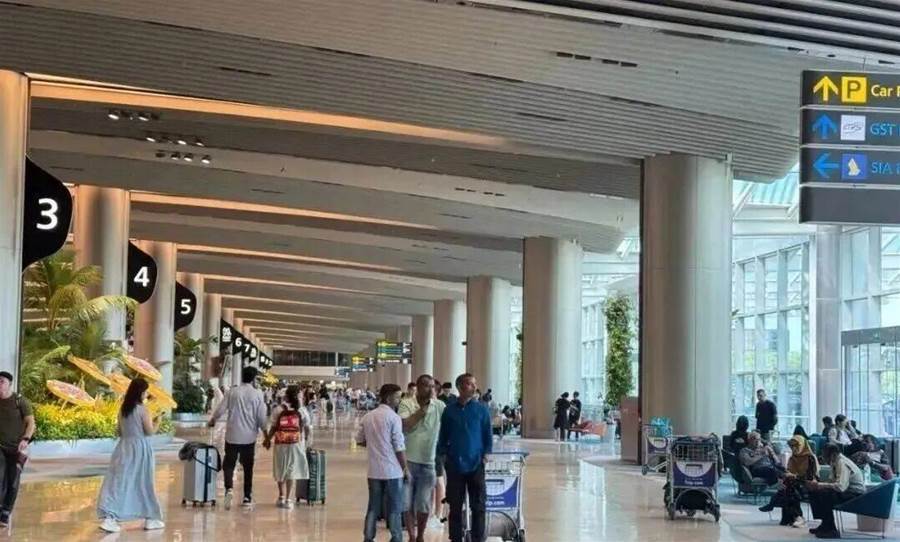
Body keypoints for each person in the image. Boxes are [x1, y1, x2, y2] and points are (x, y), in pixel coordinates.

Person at [97, 377, 164, 533]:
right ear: (140, 392)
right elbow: (149, 431)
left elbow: (119, 431)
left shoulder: (123, 409)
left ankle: (110, 517)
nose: (146, 394)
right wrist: (158, 421)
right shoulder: (142, 410)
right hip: (140, 449)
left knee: (118, 482)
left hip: (123, 448)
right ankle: (150, 518)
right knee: (143, 482)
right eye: (145, 391)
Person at [438, 373, 492, 542]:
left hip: (476, 463)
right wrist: (443, 455)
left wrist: (486, 454)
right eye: (469, 384)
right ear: (460, 387)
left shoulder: (482, 410)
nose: (474, 387)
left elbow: (487, 434)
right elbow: (443, 435)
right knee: (455, 505)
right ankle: (455, 538)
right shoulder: (449, 411)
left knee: (479, 505)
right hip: (455, 464)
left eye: (474, 384)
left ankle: (478, 538)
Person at [208, 366, 268, 509]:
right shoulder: (257, 394)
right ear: (254, 379)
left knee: (229, 464)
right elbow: (261, 417)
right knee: (248, 467)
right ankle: (247, 497)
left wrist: (213, 420)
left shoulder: (232, 392)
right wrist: (266, 435)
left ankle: (229, 488)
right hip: (249, 437)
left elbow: (221, 409)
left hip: (232, 435)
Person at [356, 384, 408, 542]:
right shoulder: (394, 418)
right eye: (397, 397)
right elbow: (399, 446)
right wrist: (405, 468)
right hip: (393, 471)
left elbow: (360, 440)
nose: (399, 400)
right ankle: (396, 537)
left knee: (373, 506)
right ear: (388, 398)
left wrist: (375, 443)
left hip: (374, 471)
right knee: (394, 508)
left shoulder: (368, 417)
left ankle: (368, 537)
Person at [398, 375, 445, 542]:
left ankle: (420, 535)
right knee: (407, 502)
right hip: (408, 462)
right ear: (418, 387)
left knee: (423, 503)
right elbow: (406, 424)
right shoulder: (406, 403)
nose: (430, 389)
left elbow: (448, 427)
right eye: (426, 386)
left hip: (429, 462)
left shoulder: (440, 406)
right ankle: (411, 536)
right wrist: (423, 409)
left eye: (432, 386)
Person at [263, 385, 311, 509]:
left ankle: (281, 496)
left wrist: (267, 440)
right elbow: (307, 427)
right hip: (296, 443)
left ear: (286, 396)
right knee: (292, 469)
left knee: (280, 468)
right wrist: (306, 440)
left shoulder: (279, 409)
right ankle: (289, 499)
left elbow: (273, 427)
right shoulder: (302, 410)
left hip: (281, 443)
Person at [758, 435, 820, 527]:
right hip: (795, 483)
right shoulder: (792, 458)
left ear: (802, 445)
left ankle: (791, 514)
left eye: (796, 445)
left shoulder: (810, 458)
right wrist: (788, 475)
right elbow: (789, 471)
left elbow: (810, 476)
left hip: (809, 483)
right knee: (788, 488)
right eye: (792, 446)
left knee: (788, 488)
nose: (794, 448)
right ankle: (796, 517)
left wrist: (794, 476)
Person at [807, 443, 865, 539]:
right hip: (847, 491)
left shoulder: (842, 463)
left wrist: (820, 485)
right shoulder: (834, 461)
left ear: (833, 454)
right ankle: (825, 524)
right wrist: (817, 485)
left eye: (824, 455)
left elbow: (841, 487)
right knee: (814, 492)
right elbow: (832, 481)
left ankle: (831, 530)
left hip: (855, 494)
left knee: (825, 494)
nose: (823, 458)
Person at [0, 371, 35, 528]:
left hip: (17, 448)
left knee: (13, 480)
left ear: (9, 384)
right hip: (0, 447)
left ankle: (6, 511)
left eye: (2, 381)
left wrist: (25, 439)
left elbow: (31, 423)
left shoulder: (20, 401)